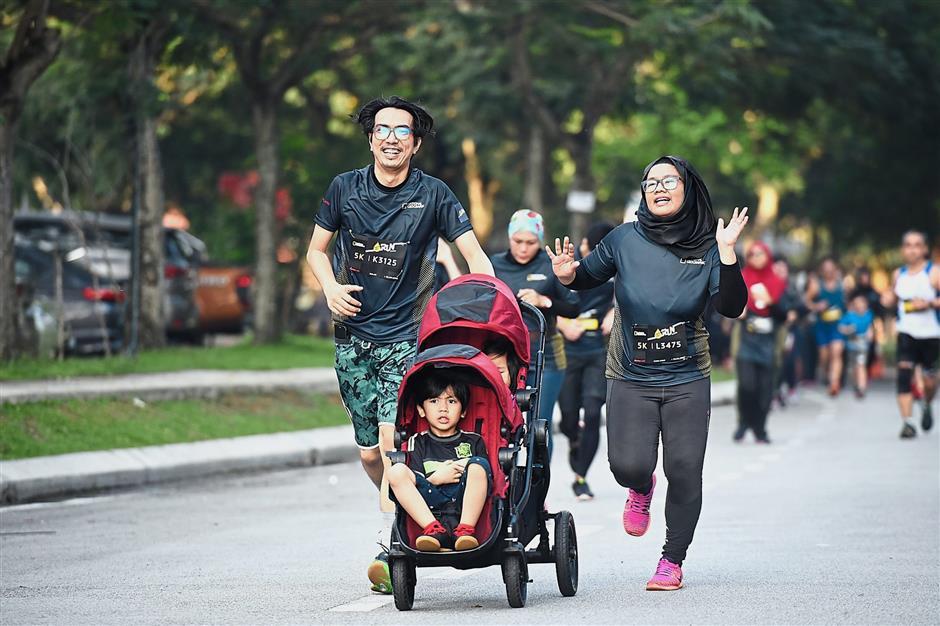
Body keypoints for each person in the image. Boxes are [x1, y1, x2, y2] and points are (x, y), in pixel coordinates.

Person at [305, 95, 494, 593]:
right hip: (353, 338)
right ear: (370, 138)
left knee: (393, 443)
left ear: (415, 142)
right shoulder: (345, 189)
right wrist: (329, 288)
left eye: (402, 131)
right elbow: (316, 250)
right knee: (370, 454)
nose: (391, 138)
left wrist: (491, 311)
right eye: (382, 129)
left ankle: (400, 544)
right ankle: (413, 508)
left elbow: (475, 257)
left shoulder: (434, 195)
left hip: (409, 338)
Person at [547, 155, 748, 591]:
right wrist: (568, 275)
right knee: (627, 464)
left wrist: (728, 255)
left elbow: (732, 306)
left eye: (668, 180)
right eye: (650, 181)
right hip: (631, 373)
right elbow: (586, 277)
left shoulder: (711, 246)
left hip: (687, 376)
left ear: (687, 187)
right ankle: (641, 487)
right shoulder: (624, 239)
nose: (657, 188)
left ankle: (671, 560)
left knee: (686, 468)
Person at [491, 210, 580, 459]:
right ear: (509, 238)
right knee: (503, 423)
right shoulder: (494, 264)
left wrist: (545, 301)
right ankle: (505, 489)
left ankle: (537, 493)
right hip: (505, 356)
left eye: (530, 242)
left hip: (547, 355)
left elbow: (574, 307)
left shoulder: (549, 264)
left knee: (539, 427)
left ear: (540, 240)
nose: (523, 248)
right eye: (517, 241)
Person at [386, 374, 491, 552]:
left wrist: (468, 465)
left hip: (463, 502)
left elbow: (484, 478)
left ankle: (465, 529)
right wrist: (437, 478)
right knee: (396, 471)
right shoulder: (418, 441)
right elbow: (415, 479)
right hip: (431, 504)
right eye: (434, 401)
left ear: (463, 410)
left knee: (479, 464)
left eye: (451, 401)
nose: (443, 408)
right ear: (421, 410)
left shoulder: (474, 441)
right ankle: (434, 530)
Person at [556, 221, 615, 500]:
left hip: (597, 351)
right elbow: (540, 300)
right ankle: (573, 437)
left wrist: (616, 310)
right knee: (568, 417)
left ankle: (581, 477)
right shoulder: (567, 271)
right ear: (583, 248)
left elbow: (637, 296)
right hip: (566, 350)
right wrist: (561, 323)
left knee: (592, 413)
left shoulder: (617, 274)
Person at [882, 230, 939, 439]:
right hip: (906, 332)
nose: (912, 249)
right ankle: (907, 423)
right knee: (904, 375)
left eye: (917, 245)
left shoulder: (934, 273)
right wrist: (887, 299)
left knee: (930, 380)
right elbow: (892, 297)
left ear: (924, 249)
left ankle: (926, 403)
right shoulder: (899, 274)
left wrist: (930, 303)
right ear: (902, 249)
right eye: (908, 245)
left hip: (932, 334)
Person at [733, 241, 787, 443]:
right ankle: (744, 422)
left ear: (767, 255)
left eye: (759, 254)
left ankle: (760, 428)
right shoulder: (743, 277)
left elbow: (784, 314)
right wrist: (739, 309)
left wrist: (771, 302)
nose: (755, 257)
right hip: (747, 339)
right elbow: (729, 304)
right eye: (752, 254)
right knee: (747, 385)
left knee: (765, 388)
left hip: (768, 342)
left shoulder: (777, 281)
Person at [805, 257, 846, 396]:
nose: (829, 272)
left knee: (837, 351)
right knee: (824, 356)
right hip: (822, 325)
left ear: (835, 270)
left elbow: (849, 304)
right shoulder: (817, 286)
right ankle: (827, 373)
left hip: (837, 325)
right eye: (826, 270)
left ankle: (834, 382)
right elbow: (806, 301)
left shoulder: (843, 285)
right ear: (822, 271)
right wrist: (817, 306)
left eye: (831, 269)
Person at [838, 293, 874, 398]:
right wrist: (849, 329)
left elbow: (870, 327)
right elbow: (841, 327)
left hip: (863, 345)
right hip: (851, 345)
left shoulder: (869, 315)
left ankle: (862, 387)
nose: (860, 306)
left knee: (861, 365)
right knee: (854, 367)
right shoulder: (849, 316)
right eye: (857, 304)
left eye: (862, 304)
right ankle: (856, 384)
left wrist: (870, 334)